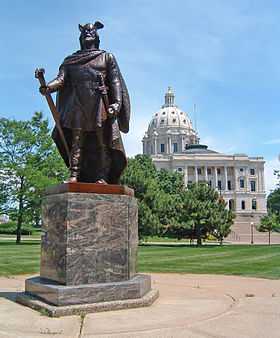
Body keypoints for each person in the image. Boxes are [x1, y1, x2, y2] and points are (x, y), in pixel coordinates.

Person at [40, 21, 130, 184]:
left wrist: (116, 104)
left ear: (97, 36)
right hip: (78, 107)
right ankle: (74, 175)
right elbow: (61, 80)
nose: (88, 33)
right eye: (85, 32)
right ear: (80, 36)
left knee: (103, 142)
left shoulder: (106, 57)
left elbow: (115, 82)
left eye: (91, 31)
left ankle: (102, 176)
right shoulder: (70, 61)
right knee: (76, 142)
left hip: (99, 105)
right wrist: (47, 87)